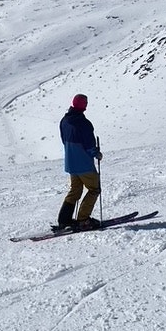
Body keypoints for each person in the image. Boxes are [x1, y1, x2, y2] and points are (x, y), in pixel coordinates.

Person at [56, 94, 103, 231]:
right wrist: (96, 154)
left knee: (75, 191)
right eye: (85, 102)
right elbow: (89, 144)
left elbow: (63, 140)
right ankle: (83, 219)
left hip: (71, 163)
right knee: (94, 189)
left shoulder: (64, 121)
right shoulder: (84, 123)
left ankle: (64, 220)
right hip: (84, 164)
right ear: (83, 105)